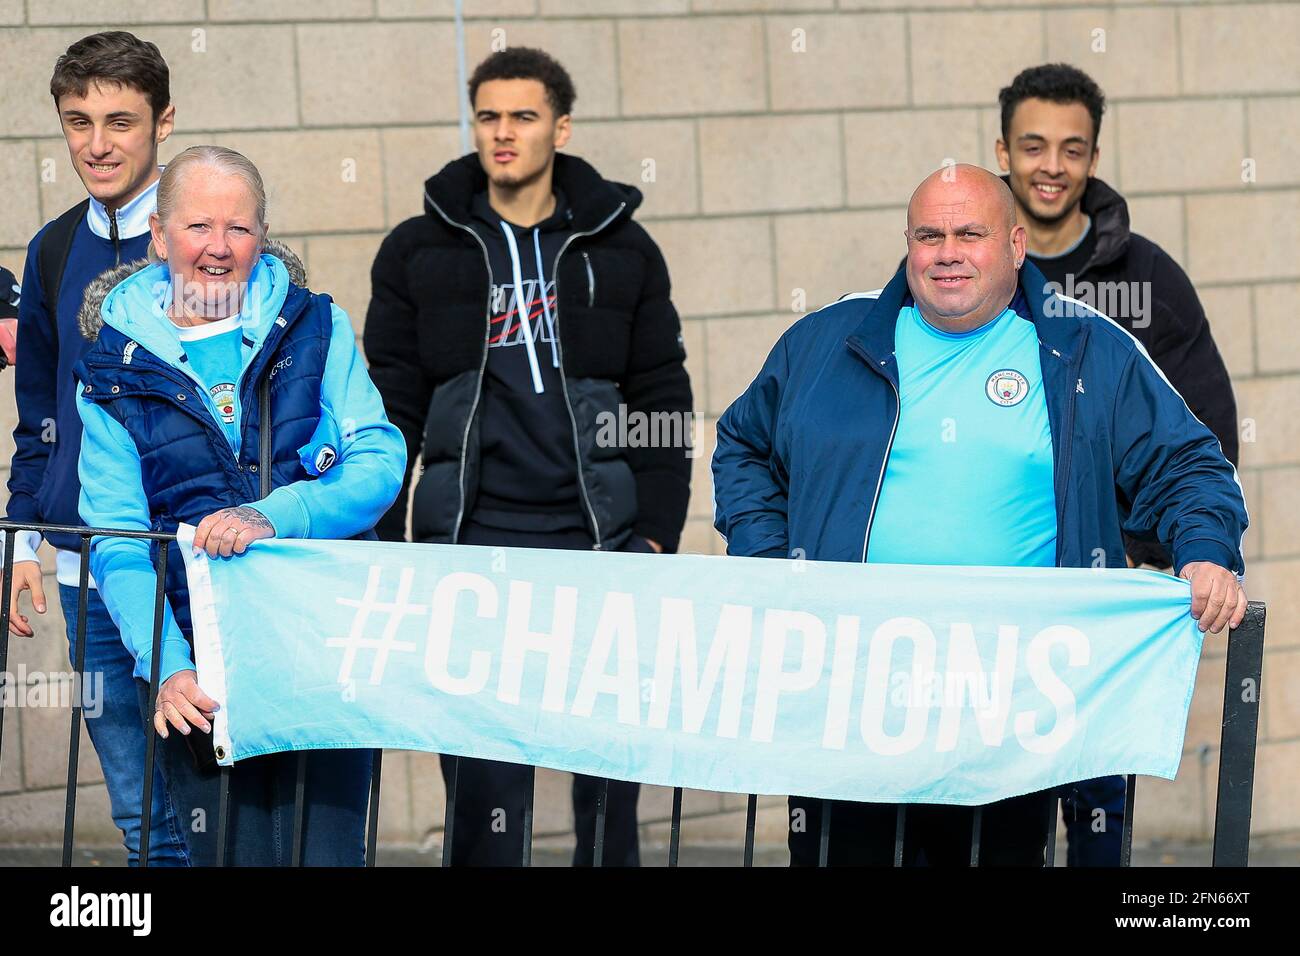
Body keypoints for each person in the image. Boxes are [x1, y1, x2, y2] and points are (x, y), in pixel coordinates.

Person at [711, 164, 1248, 867]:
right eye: (929, 234)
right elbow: (743, 444)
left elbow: (1190, 463)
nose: (948, 252)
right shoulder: (826, 343)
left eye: (971, 233)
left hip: (1011, 704)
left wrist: (1203, 548)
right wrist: (768, 565)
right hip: (853, 698)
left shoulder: (1086, 347)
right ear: (908, 244)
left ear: (1016, 245)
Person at [365, 46, 692, 866]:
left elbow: (663, 396)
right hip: (474, 551)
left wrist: (654, 536)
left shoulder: (621, 246)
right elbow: (391, 409)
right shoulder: (418, 249)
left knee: (612, 777)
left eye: (523, 116)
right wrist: (393, 537)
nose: (502, 133)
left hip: (598, 547)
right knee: (481, 788)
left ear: (561, 126)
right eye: (488, 116)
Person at [74, 146, 407, 866]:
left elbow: (380, 461)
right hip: (204, 671)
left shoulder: (316, 326)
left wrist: (275, 515)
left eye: (240, 228)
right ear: (160, 237)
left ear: (262, 235)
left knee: (327, 858)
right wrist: (167, 664)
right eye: (198, 227)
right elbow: (120, 538)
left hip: (326, 650)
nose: (219, 249)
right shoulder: (109, 372)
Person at [995, 63, 1240, 865]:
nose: (1052, 165)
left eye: (1072, 147)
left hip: (1109, 597)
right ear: (1002, 151)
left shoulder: (1148, 282)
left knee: (1102, 810)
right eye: (1033, 145)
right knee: (1003, 806)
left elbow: (1201, 435)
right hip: (1008, 600)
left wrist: (1153, 552)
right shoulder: (976, 279)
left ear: (1094, 158)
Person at [3, 31, 188, 865]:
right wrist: (24, 536)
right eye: (79, 122)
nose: (98, 144)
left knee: (215, 797)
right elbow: (37, 412)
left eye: (120, 121)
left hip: (194, 563)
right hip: (86, 570)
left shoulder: (210, 237)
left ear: (163, 123)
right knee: (139, 813)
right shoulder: (49, 251)